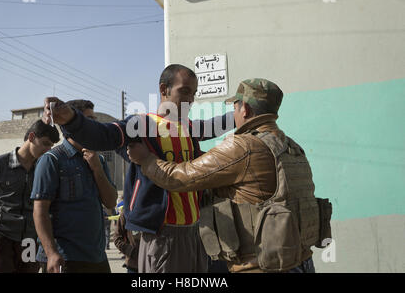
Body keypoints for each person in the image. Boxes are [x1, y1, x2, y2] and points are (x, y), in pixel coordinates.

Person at [42, 64, 234, 273]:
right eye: (185, 91)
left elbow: (218, 124)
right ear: (164, 90)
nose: (191, 99)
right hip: (163, 236)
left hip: (194, 232)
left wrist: (244, 111)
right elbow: (103, 134)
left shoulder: (188, 128)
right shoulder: (143, 125)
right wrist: (71, 118)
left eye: (194, 93)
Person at [127, 78, 332, 273]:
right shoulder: (291, 147)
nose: (234, 113)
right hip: (301, 261)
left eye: (234, 107)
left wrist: (146, 160)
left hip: (261, 266)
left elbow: (180, 177)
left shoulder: (242, 146)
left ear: (245, 109)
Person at [31, 99, 117, 273]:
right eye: (88, 120)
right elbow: (39, 211)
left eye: (94, 120)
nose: (93, 125)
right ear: (70, 124)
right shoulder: (51, 160)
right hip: (65, 258)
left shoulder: (98, 160)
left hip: (97, 257)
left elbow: (110, 202)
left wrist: (97, 170)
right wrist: (52, 253)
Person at [0, 120, 59, 273]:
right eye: (45, 143)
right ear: (31, 137)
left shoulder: (43, 170)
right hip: (0, 239)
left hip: (29, 243)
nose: (47, 149)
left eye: (51, 146)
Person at [114, 209, 140, 273]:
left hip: (151, 264)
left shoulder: (152, 211)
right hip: (133, 265)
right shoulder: (126, 214)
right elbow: (117, 238)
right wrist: (130, 251)